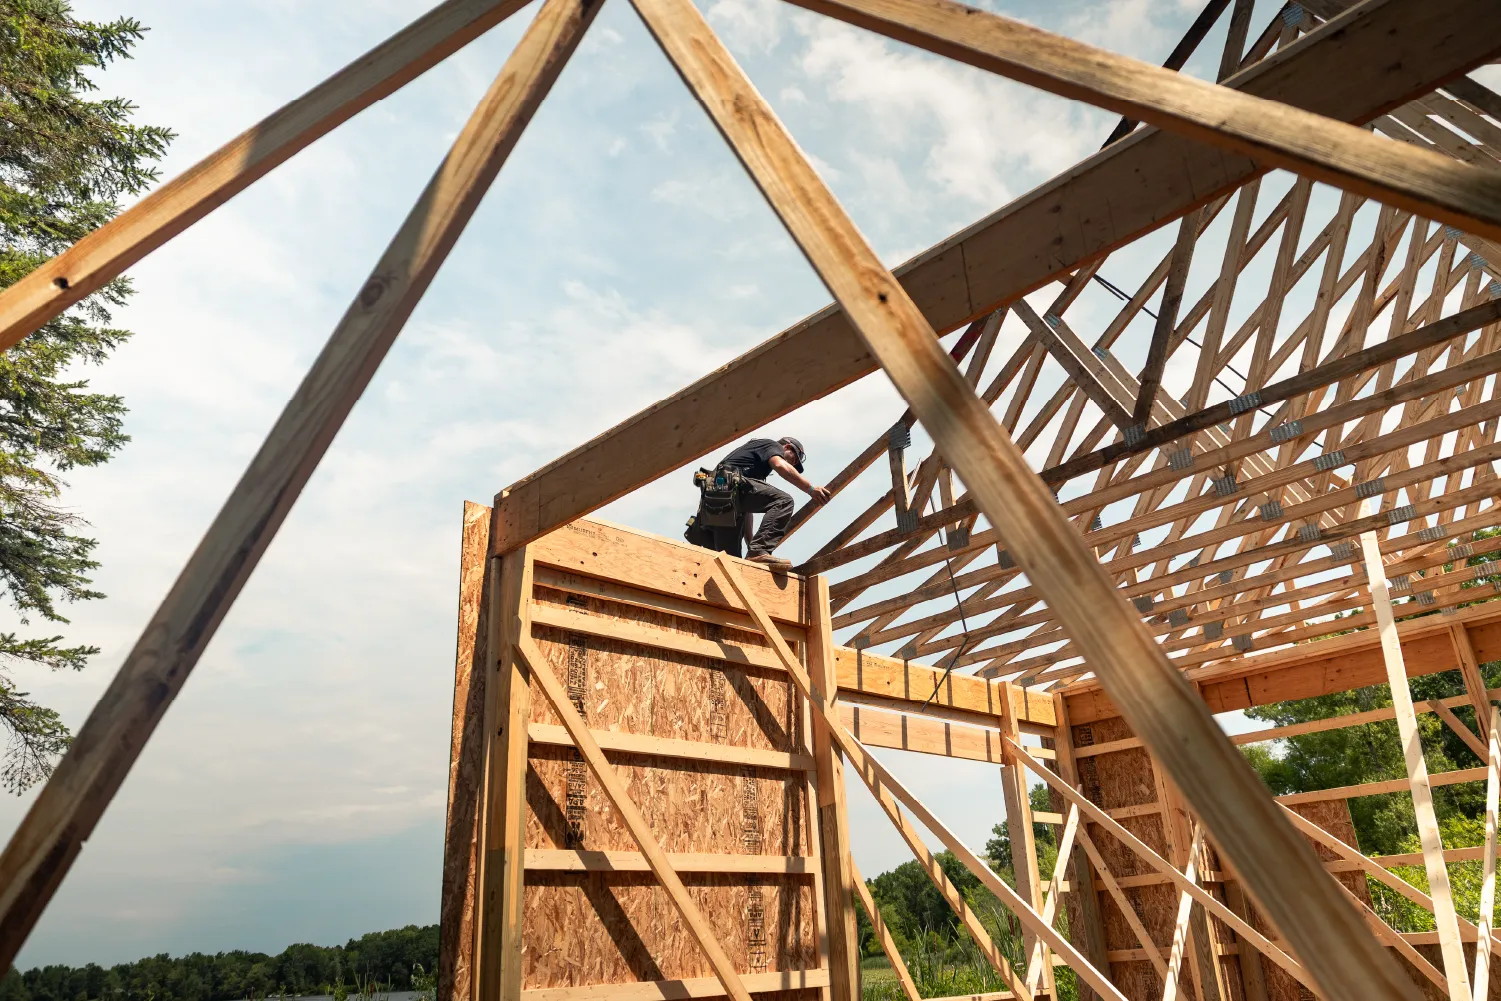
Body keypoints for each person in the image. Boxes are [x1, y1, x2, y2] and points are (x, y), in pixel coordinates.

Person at [695, 437, 831, 565]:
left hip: (715, 499)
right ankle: (758, 550)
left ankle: (754, 553)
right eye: (793, 459)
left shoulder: (753, 471)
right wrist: (810, 489)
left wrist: (750, 543)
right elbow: (780, 465)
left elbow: (747, 508)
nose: (791, 464)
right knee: (784, 501)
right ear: (787, 447)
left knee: (731, 563)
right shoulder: (772, 445)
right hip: (727, 483)